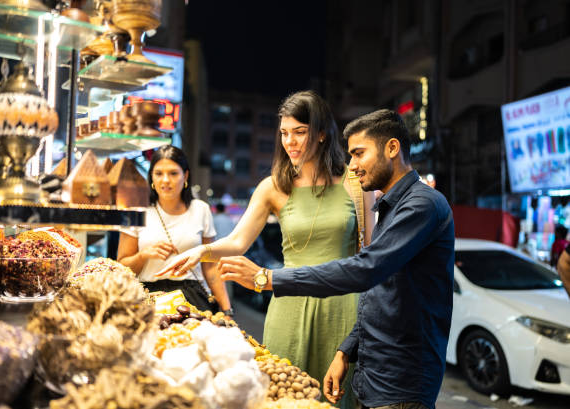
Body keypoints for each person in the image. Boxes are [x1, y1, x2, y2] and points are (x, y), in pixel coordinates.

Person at [214, 109, 455, 409]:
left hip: (402, 382)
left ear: (392, 148)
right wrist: (346, 351)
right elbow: (379, 290)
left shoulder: (422, 205)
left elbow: (365, 270)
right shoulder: (391, 206)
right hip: (373, 372)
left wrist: (268, 278)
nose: (352, 166)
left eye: (359, 154)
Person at [160, 90, 375, 409]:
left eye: (300, 132)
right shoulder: (274, 186)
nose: (290, 142)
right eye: (285, 133)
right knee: (283, 393)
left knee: (336, 399)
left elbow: (371, 256)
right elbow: (238, 241)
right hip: (288, 305)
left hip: (342, 308)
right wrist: (198, 252)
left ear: (320, 134)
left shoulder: (355, 183)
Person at [117, 145, 232, 315]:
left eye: (173, 173)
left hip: (191, 296)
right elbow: (122, 267)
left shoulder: (201, 210)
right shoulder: (137, 211)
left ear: (185, 175)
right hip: (148, 297)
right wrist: (143, 255)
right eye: (158, 173)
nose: (165, 180)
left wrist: (227, 310)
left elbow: (210, 267)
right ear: (151, 178)